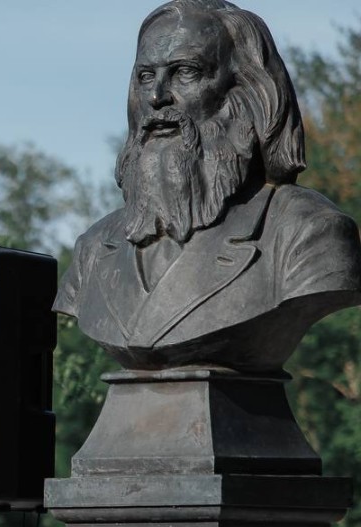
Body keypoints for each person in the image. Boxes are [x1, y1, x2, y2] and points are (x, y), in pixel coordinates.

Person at [54, 0, 361, 373]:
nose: (157, 97)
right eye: (145, 76)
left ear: (247, 91)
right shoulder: (92, 249)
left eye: (186, 72)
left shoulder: (307, 233)